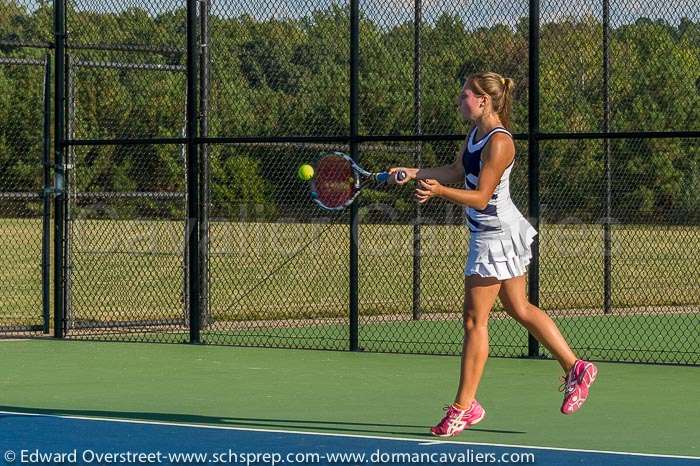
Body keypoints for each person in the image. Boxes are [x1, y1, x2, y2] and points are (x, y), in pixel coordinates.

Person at [390, 71, 598, 438]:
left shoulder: (500, 142)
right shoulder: (475, 134)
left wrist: (438, 193)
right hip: (491, 231)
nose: (459, 101)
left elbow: (482, 197)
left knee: (474, 321)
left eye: (464, 96)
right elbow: (457, 170)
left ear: (484, 101)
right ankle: (576, 368)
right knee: (519, 308)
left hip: (495, 235)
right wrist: (413, 172)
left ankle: (463, 408)